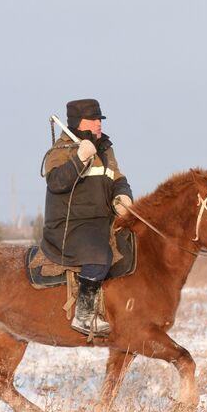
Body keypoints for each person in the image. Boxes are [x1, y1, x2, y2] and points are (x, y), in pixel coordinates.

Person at [40, 98, 134, 336]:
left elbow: (118, 179)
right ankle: (84, 316)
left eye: (99, 120)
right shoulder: (59, 153)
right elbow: (56, 182)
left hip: (101, 223)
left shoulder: (105, 149)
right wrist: (79, 159)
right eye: (93, 120)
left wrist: (122, 196)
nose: (98, 124)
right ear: (77, 123)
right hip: (68, 227)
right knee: (100, 253)